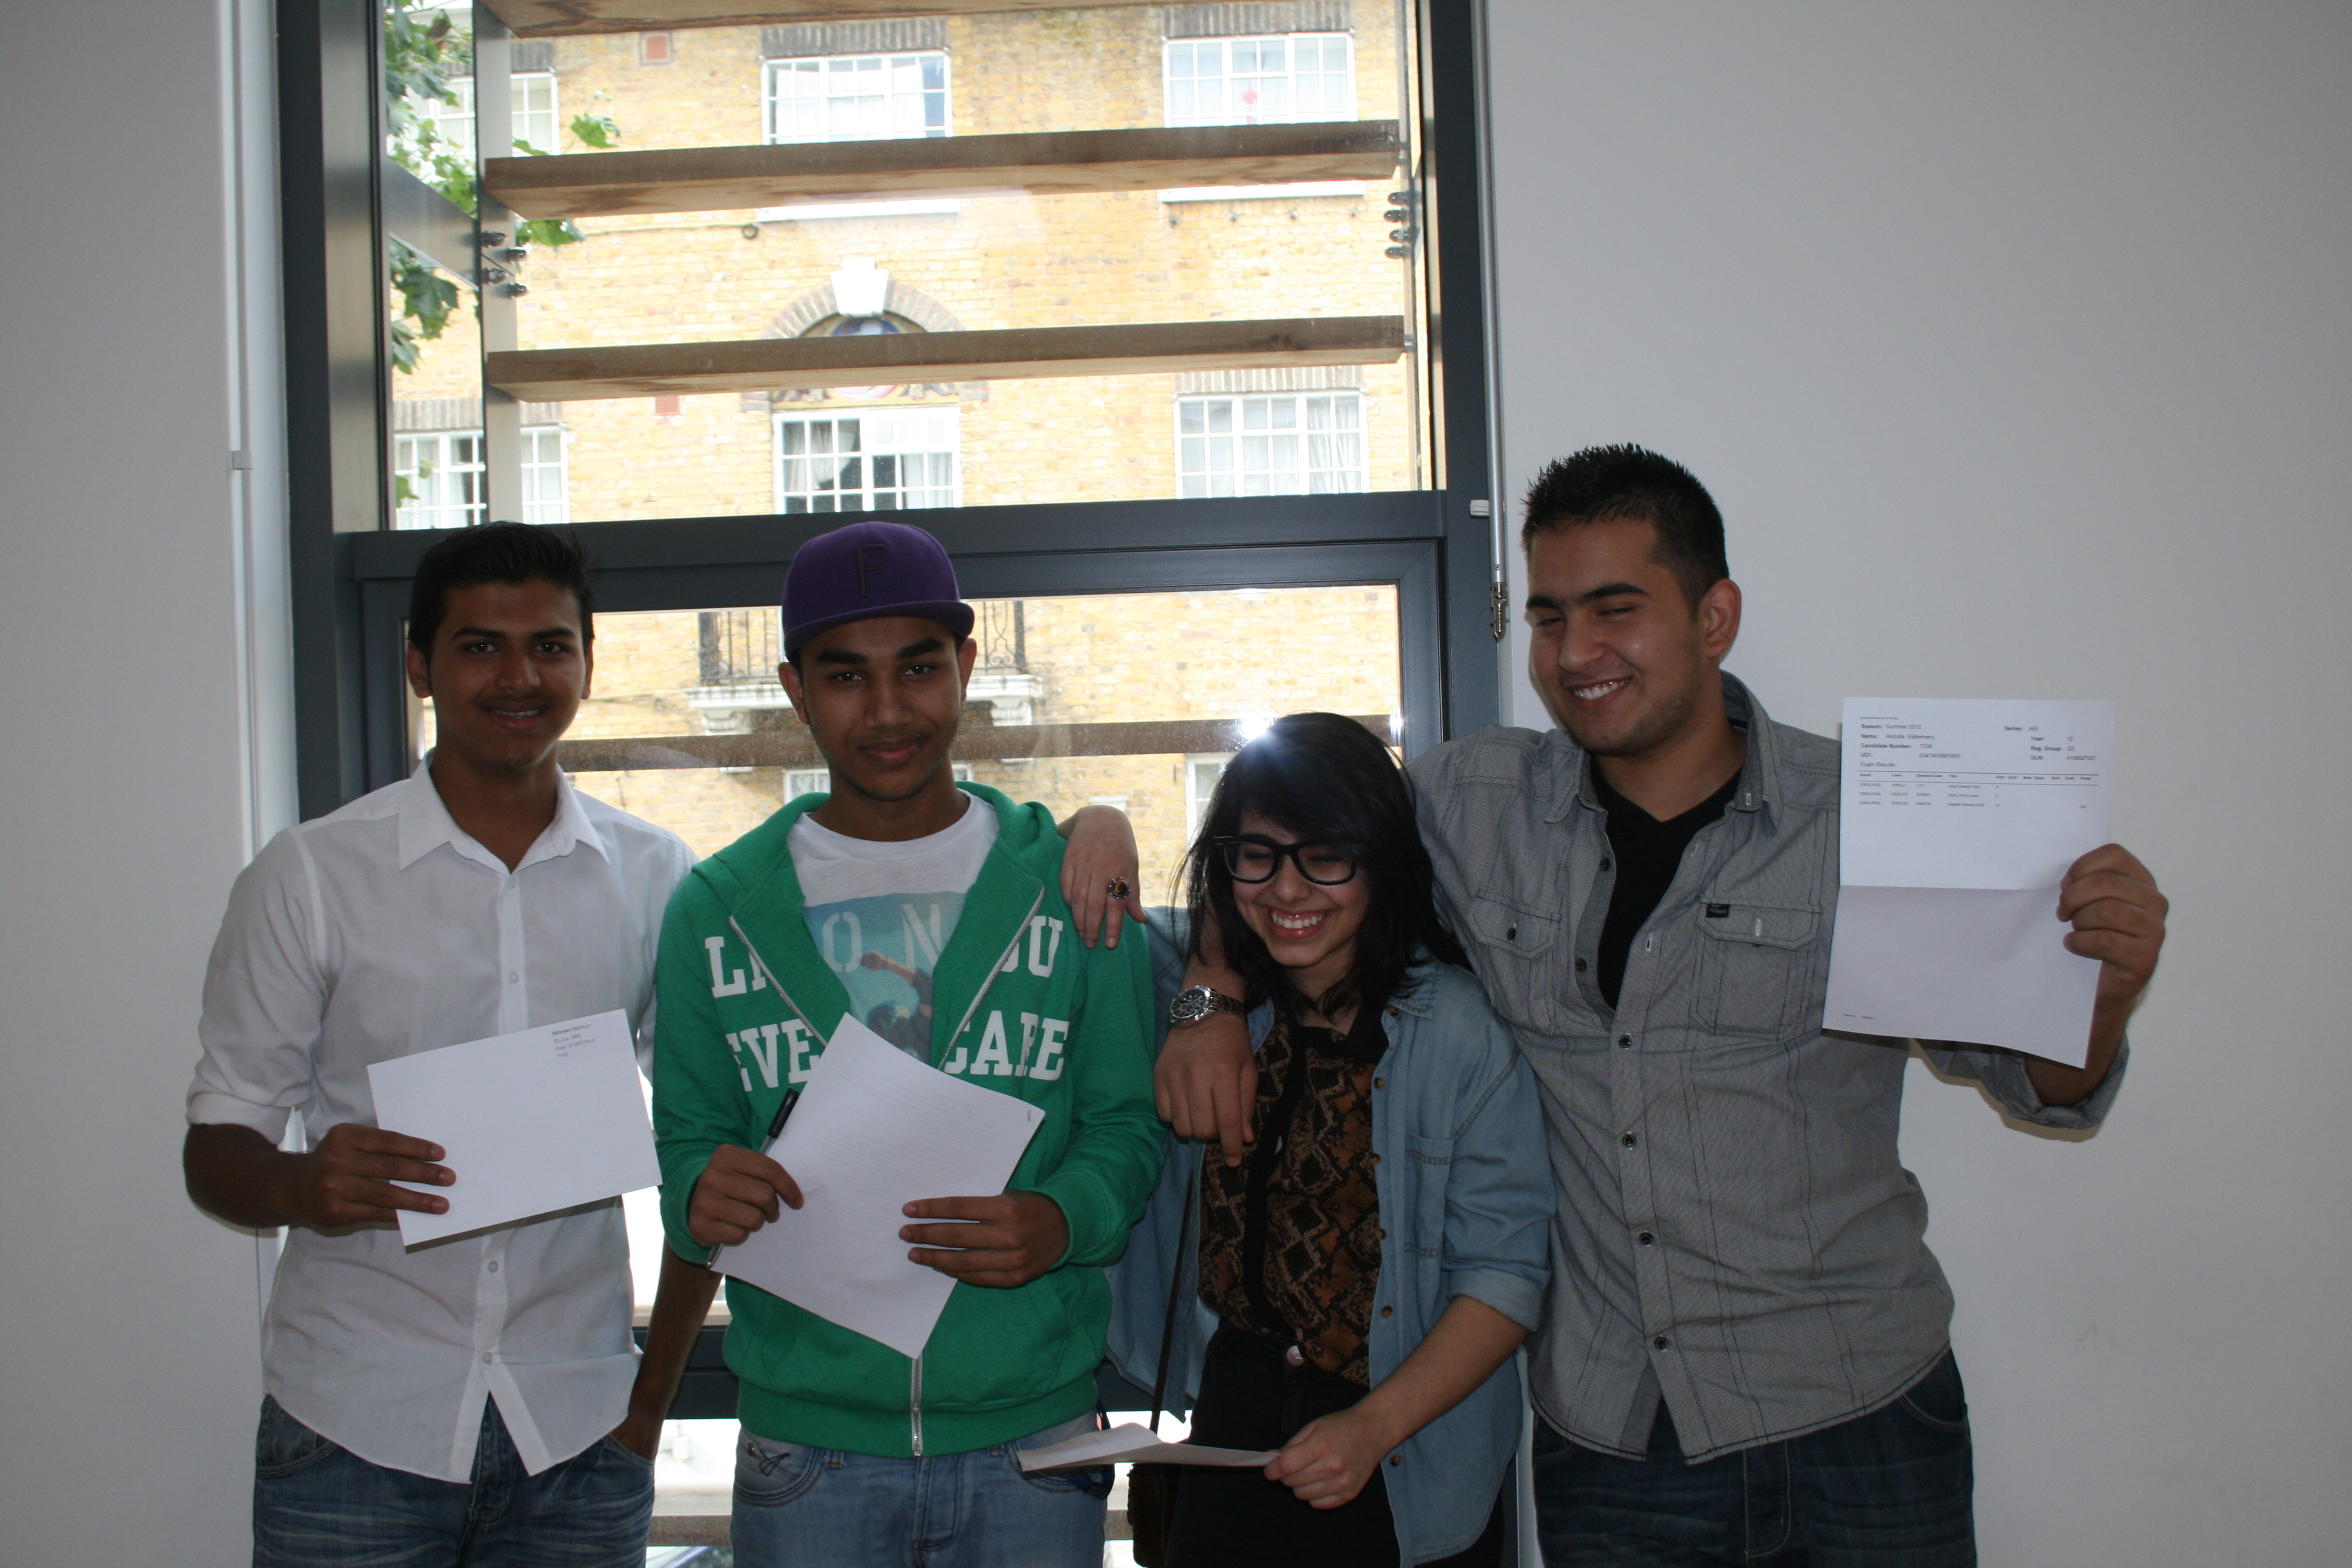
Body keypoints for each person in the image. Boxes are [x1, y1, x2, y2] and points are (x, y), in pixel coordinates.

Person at [1132, 446, 2171, 1566]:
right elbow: (1285, 839)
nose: (1575, 655)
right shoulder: (1474, 804)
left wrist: (2101, 988)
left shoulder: (1866, 823)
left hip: (1856, 1406)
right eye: (1548, 618)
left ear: (1715, 616)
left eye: (1614, 611)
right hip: (1614, 1432)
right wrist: (1208, 995)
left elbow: (2046, 1086)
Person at [182, 522, 717, 1567]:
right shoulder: (310, 875)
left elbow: (713, 1135)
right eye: (480, 647)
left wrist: (650, 1407)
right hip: (355, 1423)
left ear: (588, 664)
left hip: (579, 1429)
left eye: (550, 647)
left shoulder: (657, 876)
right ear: (421, 667)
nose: (519, 676)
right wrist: (300, 1186)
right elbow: (217, 1145)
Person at [651, 519, 1166, 1567]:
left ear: (966, 668)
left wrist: (1062, 1220)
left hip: (1036, 1435)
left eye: (919, 668)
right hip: (809, 1445)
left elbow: (1126, 1126)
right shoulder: (716, 909)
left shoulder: (1067, 889)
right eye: (846, 675)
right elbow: (687, 1147)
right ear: (796, 687)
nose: (888, 711)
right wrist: (701, 1193)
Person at [1107, 713, 1552, 1567]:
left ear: (1380, 861)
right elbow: (1089, 883)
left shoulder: (1455, 1031)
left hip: (1401, 1428)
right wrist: (1104, 824)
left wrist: (1371, 1427)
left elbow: (1507, 1274)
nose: (1287, 889)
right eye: (1259, 854)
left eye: (1326, 857)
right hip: (1234, 1405)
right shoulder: (1219, 1001)